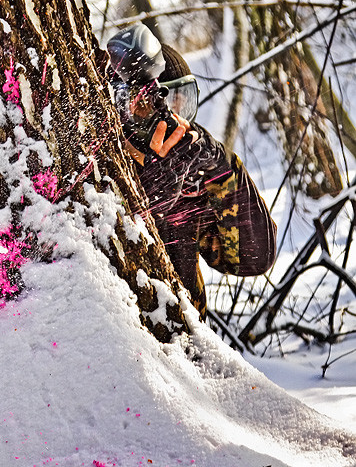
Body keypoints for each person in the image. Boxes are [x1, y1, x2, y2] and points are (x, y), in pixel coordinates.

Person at [106, 24, 277, 317]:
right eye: (153, 104)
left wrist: (220, 166)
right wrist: (150, 196)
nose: (172, 119)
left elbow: (254, 257)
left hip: (186, 350)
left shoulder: (190, 171)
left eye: (181, 102)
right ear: (127, 108)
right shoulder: (106, 167)